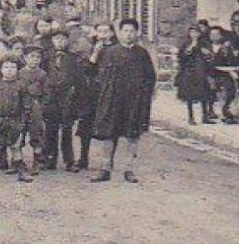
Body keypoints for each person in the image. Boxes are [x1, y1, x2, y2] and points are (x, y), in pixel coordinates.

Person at [90, 18, 157, 183]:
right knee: (109, 134)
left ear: (137, 33)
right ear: (119, 33)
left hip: (134, 101)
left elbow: (150, 77)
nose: (129, 34)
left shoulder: (142, 53)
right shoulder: (111, 52)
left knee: (132, 134)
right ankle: (105, 168)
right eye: (125, 31)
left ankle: (129, 169)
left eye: (132, 31)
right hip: (114, 100)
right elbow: (100, 76)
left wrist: (145, 96)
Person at [71, 23, 114, 172]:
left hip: (109, 91)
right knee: (86, 125)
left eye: (106, 31)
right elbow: (87, 70)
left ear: (112, 33)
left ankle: (108, 163)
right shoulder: (91, 47)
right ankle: (83, 159)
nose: (102, 34)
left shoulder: (116, 49)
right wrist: (95, 53)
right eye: (100, 31)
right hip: (92, 92)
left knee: (109, 126)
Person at [0, 56, 29, 183]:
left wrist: (22, 120)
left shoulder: (21, 85)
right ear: (1, 69)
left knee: (15, 147)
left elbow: (26, 105)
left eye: (13, 67)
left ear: (17, 69)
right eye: (6, 67)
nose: (9, 70)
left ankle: (21, 172)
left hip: (15, 121)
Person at [42, 29, 82, 169]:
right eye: (57, 39)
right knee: (50, 130)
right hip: (51, 98)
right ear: (52, 40)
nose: (60, 42)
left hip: (67, 98)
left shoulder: (73, 58)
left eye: (63, 39)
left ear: (67, 41)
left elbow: (78, 79)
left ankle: (69, 161)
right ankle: (49, 159)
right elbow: (43, 76)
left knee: (66, 130)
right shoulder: (46, 57)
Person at [174, 24, 217, 124]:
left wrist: (207, 54)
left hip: (202, 72)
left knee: (204, 95)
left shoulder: (204, 43)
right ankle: (191, 117)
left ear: (200, 33)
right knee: (189, 96)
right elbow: (181, 57)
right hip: (189, 72)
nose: (194, 34)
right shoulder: (186, 43)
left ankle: (205, 116)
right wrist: (189, 49)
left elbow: (211, 58)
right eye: (192, 32)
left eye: (196, 32)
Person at [17, 43, 49, 173]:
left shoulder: (42, 74)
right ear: (24, 58)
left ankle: (36, 162)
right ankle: (19, 162)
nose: (34, 60)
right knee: (19, 134)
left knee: (37, 134)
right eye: (31, 56)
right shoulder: (20, 73)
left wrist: (41, 106)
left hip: (35, 105)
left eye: (37, 57)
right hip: (21, 106)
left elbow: (47, 93)